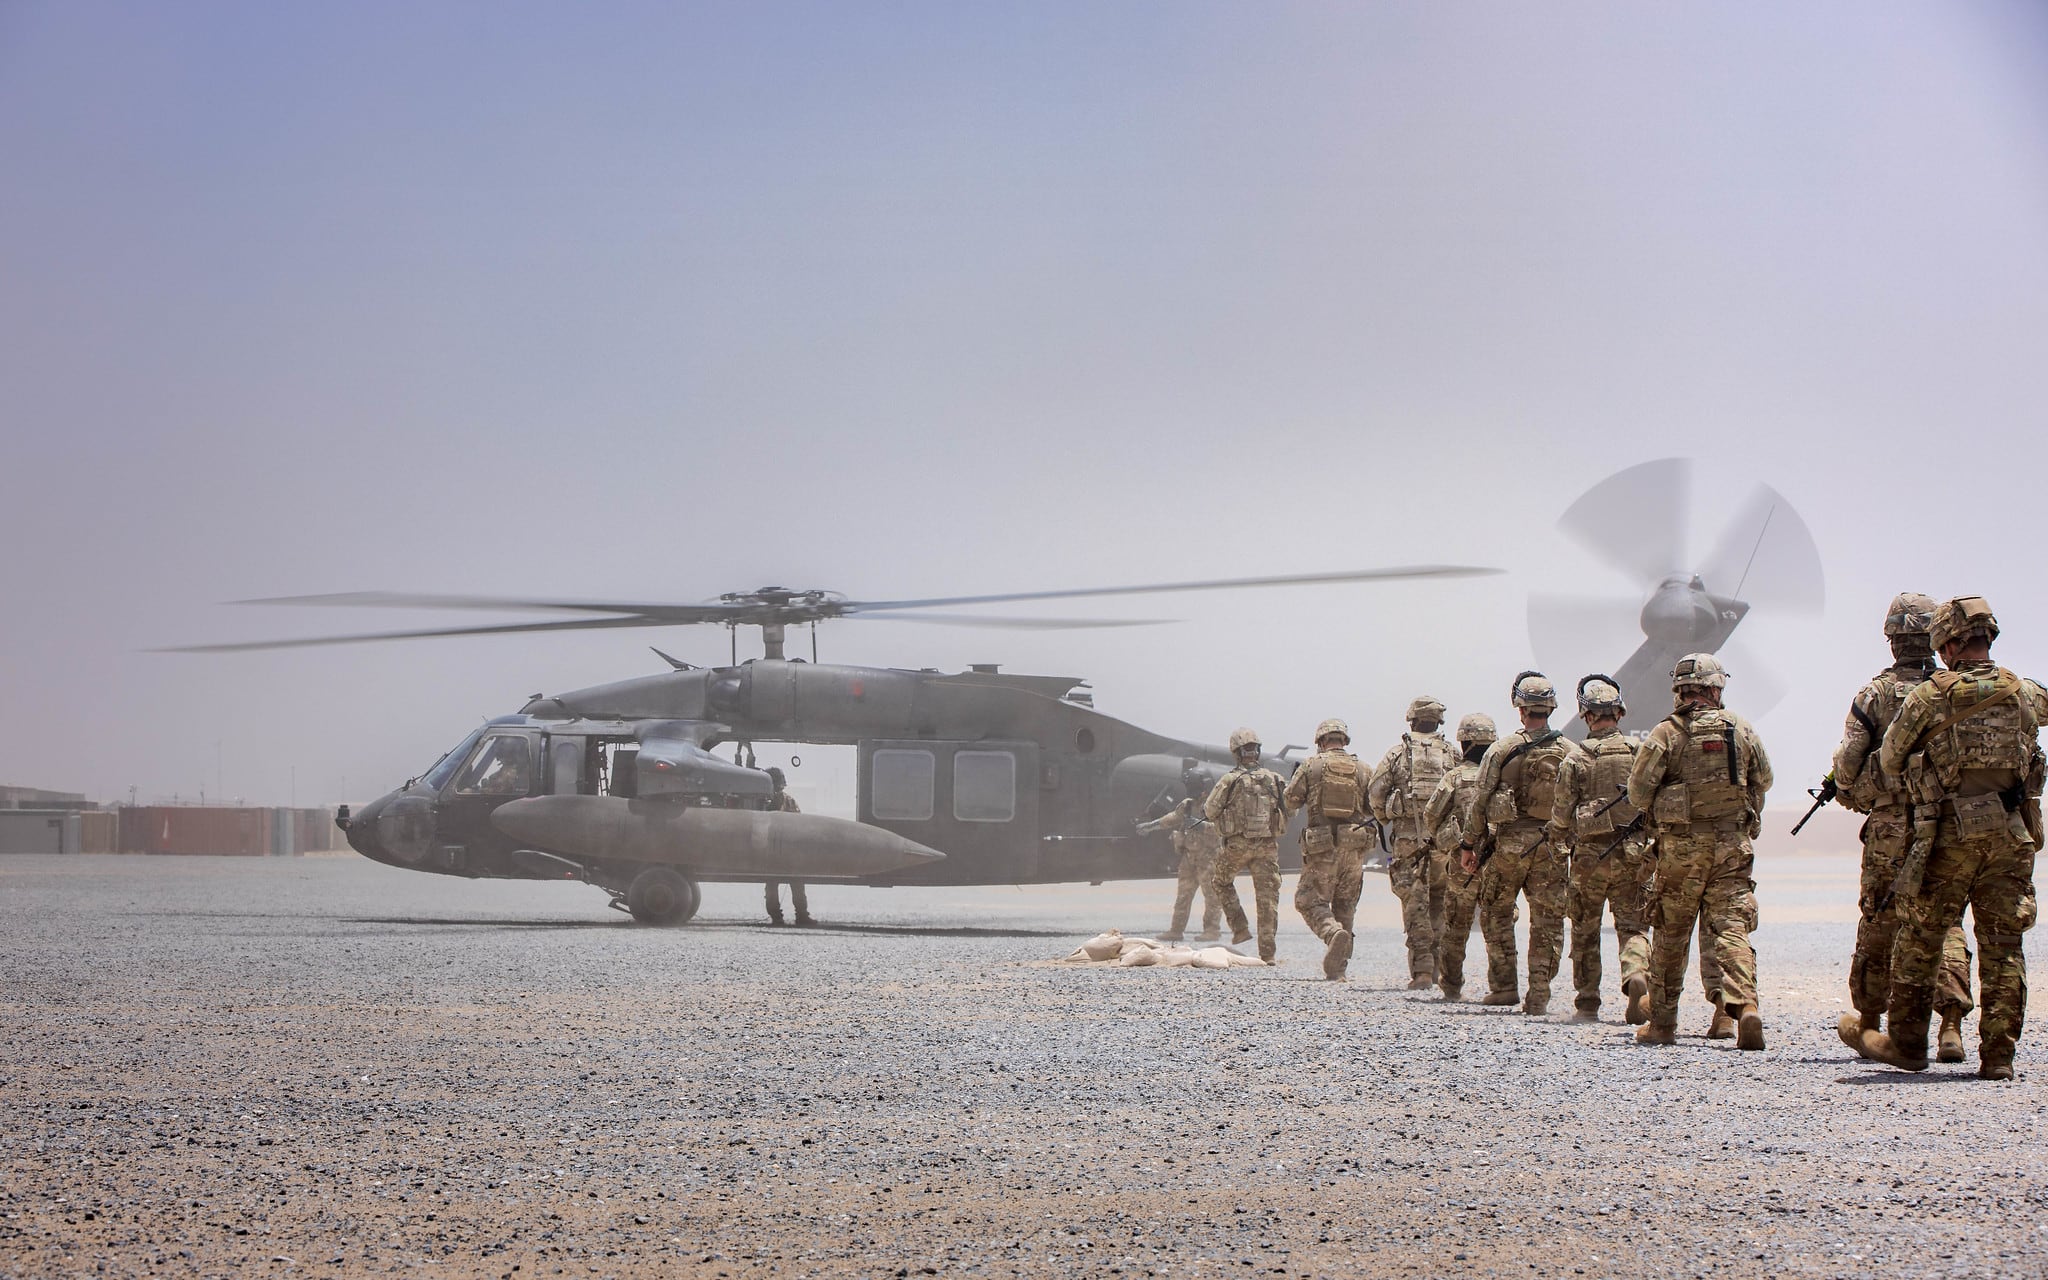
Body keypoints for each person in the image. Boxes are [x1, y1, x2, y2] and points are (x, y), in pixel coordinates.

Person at [1861, 597, 2044, 1080]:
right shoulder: (2022, 691)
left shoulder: (1929, 696)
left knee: (1921, 941)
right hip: (2010, 837)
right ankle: (1999, 1057)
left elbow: (1890, 759)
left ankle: (1907, 1046)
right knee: (2004, 946)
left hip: (1948, 836)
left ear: (1948, 643)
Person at [1831, 593, 1977, 1063]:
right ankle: (1950, 1024)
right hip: (1949, 823)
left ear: (1893, 640)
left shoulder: (1874, 695)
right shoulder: (1953, 688)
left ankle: (1871, 1022)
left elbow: (1848, 766)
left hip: (1892, 825)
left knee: (1881, 916)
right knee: (1946, 918)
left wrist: (1854, 795)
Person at [1626, 654, 1773, 1050]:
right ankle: (1742, 1008)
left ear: (1680, 690)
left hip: (1681, 853)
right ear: (1714, 689)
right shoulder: (1741, 729)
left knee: (1671, 935)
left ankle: (1662, 1024)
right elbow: (1765, 780)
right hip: (1731, 849)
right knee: (1730, 928)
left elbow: (1638, 793)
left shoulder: (1665, 734)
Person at [1459, 673, 1583, 1015]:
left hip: (1510, 845)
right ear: (1551, 707)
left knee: (1496, 913)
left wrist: (1468, 845)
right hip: (1551, 846)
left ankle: (1504, 987)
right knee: (1548, 919)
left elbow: (1480, 801)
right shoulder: (1571, 751)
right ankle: (1539, 992)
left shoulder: (1502, 750)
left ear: (1520, 709)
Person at [1550, 676, 1648, 1024]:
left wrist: (1559, 840)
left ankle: (1588, 1001)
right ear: (1619, 713)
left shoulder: (1576, 759)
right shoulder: (1640, 754)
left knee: (1585, 928)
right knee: (1633, 926)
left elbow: (1562, 813)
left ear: (1587, 716)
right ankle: (1635, 973)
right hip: (1633, 854)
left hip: (1590, 858)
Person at [1369, 697, 1461, 990]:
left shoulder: (1397, 755)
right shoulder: (1452, 754)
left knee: (1415, 904)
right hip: (1444, 843)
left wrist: (1389, 817)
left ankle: (1422, 970)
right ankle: (1440, 970)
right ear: (1439, 721)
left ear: (1411, 720)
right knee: (1441, 902)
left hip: (1408, 843)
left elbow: (1375, 795)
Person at [1285, 719, 1374, 979]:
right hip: (1354, 848)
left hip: (1323, 848)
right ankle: (1339, 969)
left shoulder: (1311, 766)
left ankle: (1331, 933)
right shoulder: (1363, 768)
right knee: (1345, 906)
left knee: (1308, 900)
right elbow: (1374, 806)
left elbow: (1290, 801)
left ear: (1321, 742)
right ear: (1344, 741)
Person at [1422, 713, 1496, 1001]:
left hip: (1461, 861)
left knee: (1456, 922)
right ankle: (1504, 985)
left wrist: (1447, 838)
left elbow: (1431, 814)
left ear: (1464, 743)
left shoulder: (1454, 777)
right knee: (1498, 922)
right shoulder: (1500, 775)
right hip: (1497, 861)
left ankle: (1451, 985)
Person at [1204, 728, 1289, 963]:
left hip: (1237, 847)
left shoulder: (1229, 780)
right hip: (1267, 848)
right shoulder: (1274, 779)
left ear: (1236, 753)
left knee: (1220, 881)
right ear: (1257, 751)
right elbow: (1290, 808)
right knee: (1267, 898)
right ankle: (1268, 954)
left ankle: (1240, 928)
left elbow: (1210, 811)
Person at [1135, 760, 1225, 942]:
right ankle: (1176, 930)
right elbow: (1172, 818)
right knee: (1183, 896)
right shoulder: (1188, 805)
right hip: (1189, 858)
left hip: (1209, 859)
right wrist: (1150, 826)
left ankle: (1212, 930)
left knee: (1212, 897)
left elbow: (1223, 828)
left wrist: (1202, 826)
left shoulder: (1216, 805)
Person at [761, 767, 813, 927]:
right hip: (771, 850)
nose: (779, 788)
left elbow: (798, 822)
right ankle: (777, 917)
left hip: (789, 851)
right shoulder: (763, 802)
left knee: (797, 883)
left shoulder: (788, 801)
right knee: (772, 885)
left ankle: (802, 915)